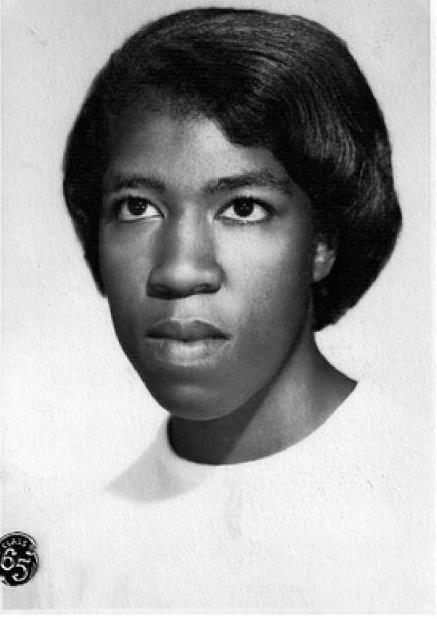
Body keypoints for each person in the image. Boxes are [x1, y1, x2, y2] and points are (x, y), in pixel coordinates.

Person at [4, 6, 431, 612]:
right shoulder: (63, 563)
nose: (180, 270)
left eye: (243, 209)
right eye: (136, 207)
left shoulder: (421, 504)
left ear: (323, 242)